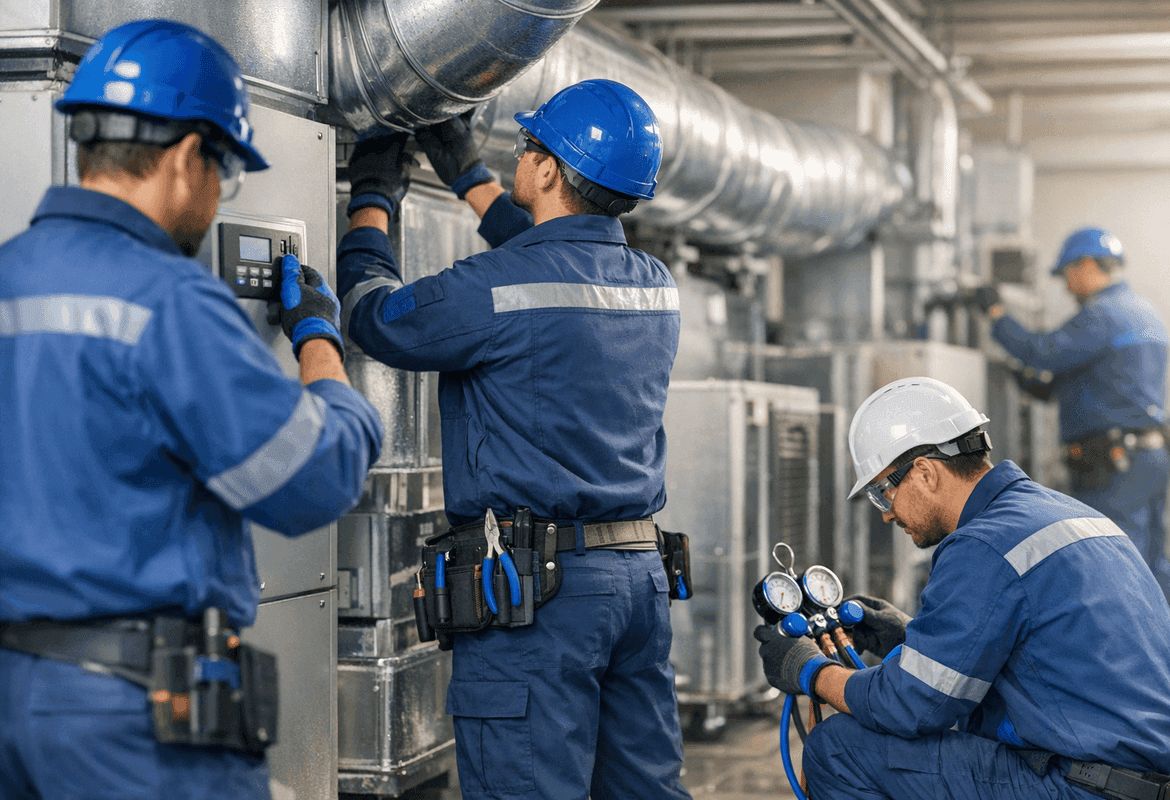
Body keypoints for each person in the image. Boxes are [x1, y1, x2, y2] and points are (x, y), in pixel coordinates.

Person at [0, 20, 383, 800]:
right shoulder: (170, 302)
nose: (217, 200)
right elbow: (314, 475)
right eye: (225, 174)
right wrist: (319, 339)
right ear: (186, 158)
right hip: (132, 718)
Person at [336, 79, 692, 800]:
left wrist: (372, 193)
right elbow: (549, 266)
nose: (519, 156)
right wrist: (468, 177)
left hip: (539, 600)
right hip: (636, 582)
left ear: (550, 171)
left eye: (527, 147)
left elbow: (374, 316)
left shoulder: (499, 288)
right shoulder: (653, 286)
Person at [755, 377, 1170, 800]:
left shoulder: (982, 545)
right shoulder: (1062, 513)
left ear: (925, 473)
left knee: (840, 749)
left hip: (1088, 787)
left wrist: (810, 670)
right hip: (1162, 780)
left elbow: (911, 707)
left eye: (882, 494)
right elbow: (1036, 649)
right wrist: (909, 636)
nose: (887, 515)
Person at [977, 227, 1170, 611]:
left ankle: (1121, 659)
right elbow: (1107, 381)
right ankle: (1162, 652)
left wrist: (996, 314)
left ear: (1086, 265)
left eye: (1067, 272)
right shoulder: (1143, 311)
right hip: (1151, 457)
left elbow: (1043, 351)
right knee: (1153, 560)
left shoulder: (1103, 315)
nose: (1067, 285)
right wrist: (1043, 387)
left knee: (1114, 560)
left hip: (1115, 467)